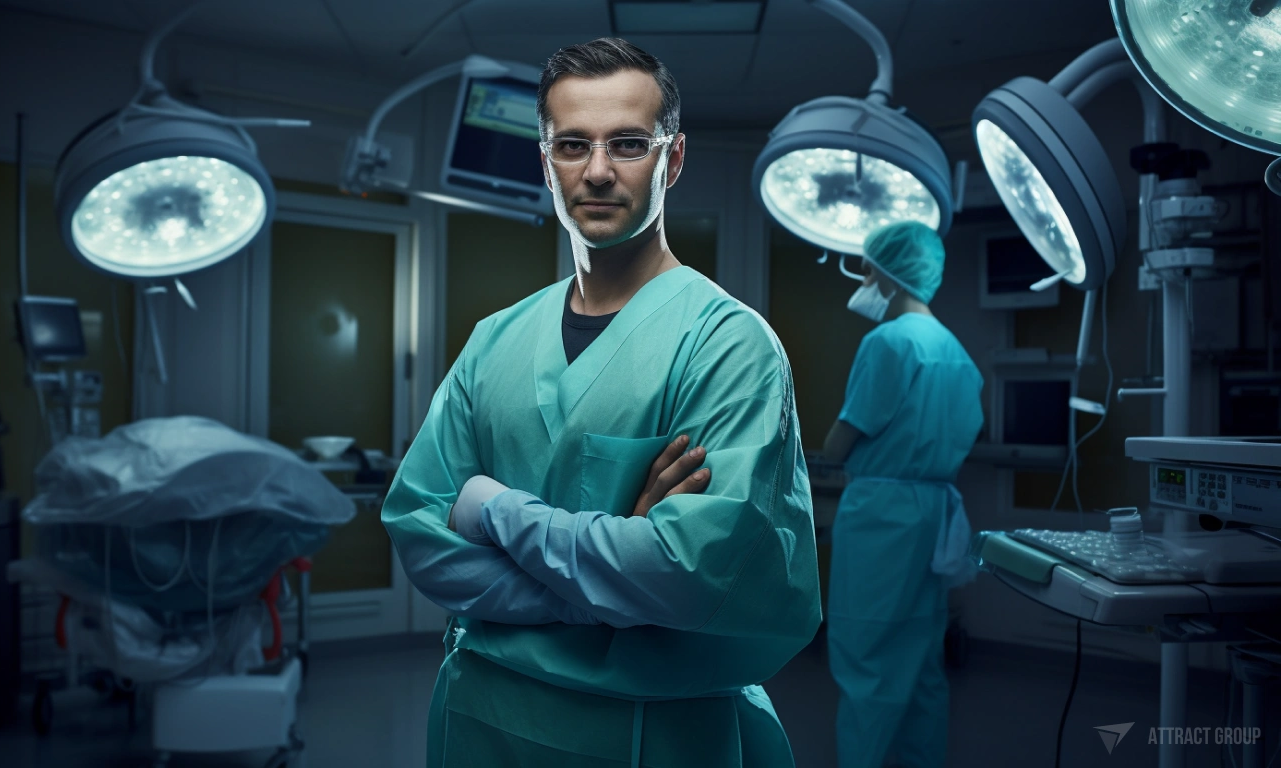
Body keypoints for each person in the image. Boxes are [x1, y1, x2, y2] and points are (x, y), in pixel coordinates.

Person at [380, 37, 821, 768]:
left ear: (672, 159)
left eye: (628, 143)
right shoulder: (495, 340)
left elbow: (684, 572)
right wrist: (601, 579)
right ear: (545, 161)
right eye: (572, 145)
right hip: (478, 716)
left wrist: (494, 510)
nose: (597, 171)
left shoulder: (727, 346)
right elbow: (419, 531)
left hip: (650, 731)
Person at [820, 220, 983, 768]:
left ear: (889, 273)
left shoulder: (888, 342)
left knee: (866, 657)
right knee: (920, 660)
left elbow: (843, 440)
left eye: (867, 267)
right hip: (934, 513)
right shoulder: (957, 352)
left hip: (882, 519)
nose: (863, 278)